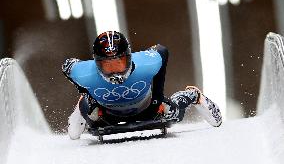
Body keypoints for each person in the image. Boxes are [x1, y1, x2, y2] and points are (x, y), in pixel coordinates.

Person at [62, 31, 222, 140]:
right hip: (108, 112)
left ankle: (194, 96)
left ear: (129, 58)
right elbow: (67, 66)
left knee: (174, 114)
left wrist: (157, 99)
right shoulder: (83, 73)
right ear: (97, 64)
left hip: (148, 107)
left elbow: (162, 50)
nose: (114, 72)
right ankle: (83, 103)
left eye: (119, 63)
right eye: (107, 66)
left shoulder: (147, 62)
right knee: (85, 123)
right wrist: (85, 91)